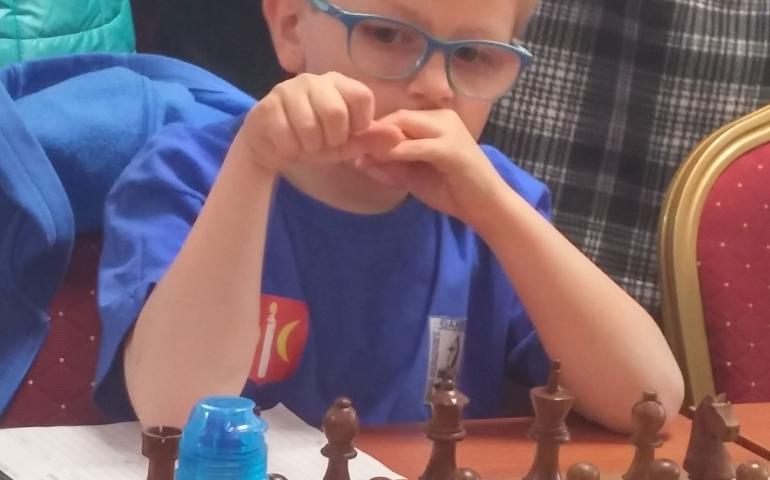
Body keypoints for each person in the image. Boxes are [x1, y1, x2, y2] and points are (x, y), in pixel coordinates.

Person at [95, 0, 684, 432]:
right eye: (386, 35)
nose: (434, 87)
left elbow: (650, 401)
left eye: (473, 55)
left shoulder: (495, 199)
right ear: (291, 26)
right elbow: (176, 414)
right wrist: (253, 163)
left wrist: (497, 211)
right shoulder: (185, 174)